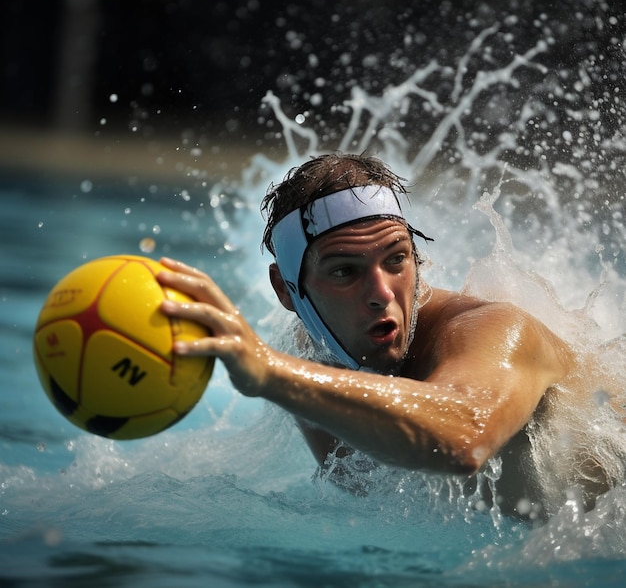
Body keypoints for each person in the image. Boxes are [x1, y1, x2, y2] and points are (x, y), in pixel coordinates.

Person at [157, 152, 614, 518]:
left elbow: (466, 437)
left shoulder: (497, 330)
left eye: (396, 260)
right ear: (287, 291)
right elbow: (364, 500)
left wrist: (270, 374)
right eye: (344, 271)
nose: (380, 294)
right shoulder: (318, 355)